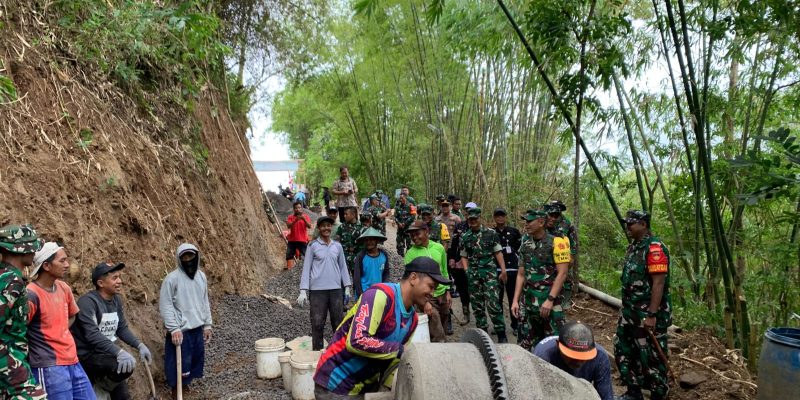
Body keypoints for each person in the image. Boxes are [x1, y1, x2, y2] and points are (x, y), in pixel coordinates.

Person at [313, 257, 448, 398]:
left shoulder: (412, 320)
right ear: (413, 278)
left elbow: (396, 361)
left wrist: (386, 389)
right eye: (431, 286)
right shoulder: (380, 296)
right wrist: (400, 350)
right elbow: (356, 340)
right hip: (335, 384)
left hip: (365, 388)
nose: (432, 293)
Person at [71, 262, 153, 399]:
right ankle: (98, 389)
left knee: (123, 394)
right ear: (101, 283)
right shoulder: (88, 302)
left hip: (106, 354)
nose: (120, 281)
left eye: (119, 277)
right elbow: (92, 335)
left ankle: (102, 387)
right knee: (121, 365)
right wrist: (119, 352)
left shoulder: (116, 300)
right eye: (115, 278)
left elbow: (121, 328)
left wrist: (139, 345)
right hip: (87, 356)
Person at [614, 210, 671, 400]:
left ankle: (658, 393)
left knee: (652, 355)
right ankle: (633, 391)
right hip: (629, 312)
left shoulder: (655, 248)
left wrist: (652, 315)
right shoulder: (633, 247)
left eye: (631, 224)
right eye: (627, 223)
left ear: (644, 225)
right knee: (623, 349)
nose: (627, 227)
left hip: (648, 314)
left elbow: (659, 283)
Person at [26, 242, 94, 399]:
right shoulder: (31, 294)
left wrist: (60, 330)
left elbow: (72, 314)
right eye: (62, 261)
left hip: (72, 359)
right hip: (48, 365)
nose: (67, 265)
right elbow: (20, 329)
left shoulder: (64, 288)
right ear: (47, 266)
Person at [511, 209, 571, 350]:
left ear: (541, 222)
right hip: (528, 301)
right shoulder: (525, 244)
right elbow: (521, 274)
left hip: (548, 302)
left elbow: (562, 273)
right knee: (525, 343)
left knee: (553, 344)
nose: (526, 224)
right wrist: (515, 300)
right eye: (525, 221)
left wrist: (550, 300)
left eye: (529, 221)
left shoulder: (557, 242)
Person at [159, 243, 212, 398]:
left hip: (197, 328)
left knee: (193, 362)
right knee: (178, 366)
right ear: (179, 259)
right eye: (184, 257)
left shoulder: (201, 277)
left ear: (197, 256)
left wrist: (207, 324)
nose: (188, 259)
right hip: (181, 331)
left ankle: (186, 389)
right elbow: (166, 305)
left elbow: (204, 301)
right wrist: (174, 328)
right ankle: (176, 393)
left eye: (191, 256)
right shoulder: (171, 280)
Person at [0, 224, 47, 399]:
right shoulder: (12, 281)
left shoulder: (5, 276)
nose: (34, 252)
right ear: (22, 250)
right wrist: (14, 370)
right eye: (32, 247)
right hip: (11, 368)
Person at [298, 216, 353, 351]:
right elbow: (307, 267)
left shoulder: (337, 246)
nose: (326, 228)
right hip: (317, 291)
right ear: (319, 228)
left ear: (331, 228)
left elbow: (343, 267)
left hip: (335, 291)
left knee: (338, 324)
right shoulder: (313, 246)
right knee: (317, 323)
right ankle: (317, 354)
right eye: (323, 226)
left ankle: (338, 354)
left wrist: (346, 287)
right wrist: (303, 290)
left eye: (329, 225)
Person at [459, 207, 508, 343]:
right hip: (473, 275)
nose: (473, 221)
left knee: (493, 304)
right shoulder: (465, 236)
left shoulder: (491, 233)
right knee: (477, 306)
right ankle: (483, 335)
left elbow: (498, 252)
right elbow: (463, 255)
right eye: (471, 219)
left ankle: (501, 334)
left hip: (489, 274)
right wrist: (466, 270)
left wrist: (503, 270)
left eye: (475, 218)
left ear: (480, 218)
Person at [533, 322, 613, 400]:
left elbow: (605, 395)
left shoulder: (600, 357)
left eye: (583, 357)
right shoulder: (543, 357)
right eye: (572, 356)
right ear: (558, 345)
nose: (578, 361)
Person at [404, 221, 451, 340]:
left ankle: (441, 347)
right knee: (436, 328)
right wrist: (424, 303)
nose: (414, 237)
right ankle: (438, 351)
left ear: (426, 231)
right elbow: (411, 283)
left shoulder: (439, 248)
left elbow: (444, 271)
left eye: (417, 233)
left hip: (442, 294)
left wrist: (448, 291)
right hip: (426, 296)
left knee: (444, 322)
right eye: (411, 235)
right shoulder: (410, 254)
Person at [544, 200, 579, 306]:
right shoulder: (543, 220)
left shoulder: (567, 223)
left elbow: (574, 242)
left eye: (557, 213)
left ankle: (562, 302)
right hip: (546, 256)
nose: (554, 217)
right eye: (552, 213)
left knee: (562, 278)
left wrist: (571, 257)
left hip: (561, 257)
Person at [493, 208, 522, 334]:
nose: (500, 218)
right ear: (494, 218)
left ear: (505, 217)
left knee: (513, 297)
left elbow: (519, 247)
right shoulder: (491, 233)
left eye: (502, 216)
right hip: (496, 269)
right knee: (497, 299)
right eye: (497, 216)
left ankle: (515, 325)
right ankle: (499, 326)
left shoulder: (514, 231)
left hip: (512, 269)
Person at [446, 201, 473, 319]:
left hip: (476, 263)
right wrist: (452, 258)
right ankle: (466, 310)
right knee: (462, 287)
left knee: (475, 288)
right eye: (467, 211)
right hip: (460, 261)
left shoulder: (481, 228)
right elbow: (454, 243)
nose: (469, 214)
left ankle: (479, 312)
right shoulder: (460, 226)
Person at [352, 228, 391, 297]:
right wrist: (360, 294)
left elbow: (386, 273)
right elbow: (357, 277)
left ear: (377, 240)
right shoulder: (361, 256)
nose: (368, 242)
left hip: (378, 292)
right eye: (366, 240)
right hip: (364, 292)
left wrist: (384, 289)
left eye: (371, 239)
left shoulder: (383, 255)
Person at [335, 206, 364, 278]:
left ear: (353, 215)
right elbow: (337, 241)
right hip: (344, 258)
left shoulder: (362, 228)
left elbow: (364, 245)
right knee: (343, 280)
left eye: (346, 214)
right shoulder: (342, 227)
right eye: (344, 214)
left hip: (356, 259)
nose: (344, 216)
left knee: (357, 280)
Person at [286, 202, 312, 270]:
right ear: (294, 209)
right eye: (296, 208)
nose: (297, 209)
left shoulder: (306, 216)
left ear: (301, 208)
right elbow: (288, 226)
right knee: (289, 255)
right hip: (292, 240)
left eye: (299, 208)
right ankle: (289, 270)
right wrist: (295, 220)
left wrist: (304, 219)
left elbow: (309, 226)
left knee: (305, 255)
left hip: (302, 239)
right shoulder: (290, 217)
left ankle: (306, 270)